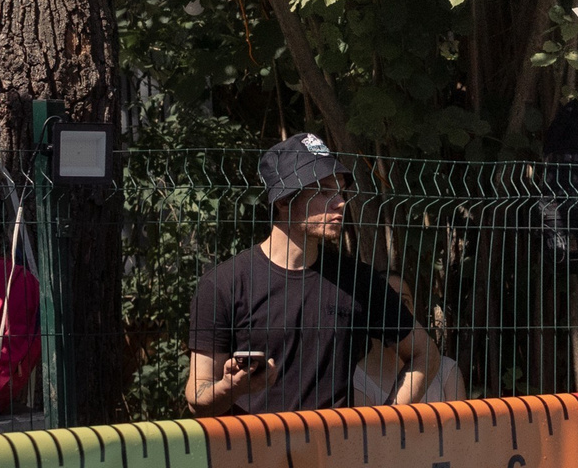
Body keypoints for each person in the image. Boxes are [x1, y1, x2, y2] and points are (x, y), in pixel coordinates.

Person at [187, 135, 442, 415]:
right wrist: (233, 387)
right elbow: (197, 398)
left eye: (341, 191)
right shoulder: (224, 284)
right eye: (323, 191)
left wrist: (382, 423)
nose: (340, 203)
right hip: (251, 453)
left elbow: (424, 353)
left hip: (333, 453)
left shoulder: (357, 280)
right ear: (283, 199)